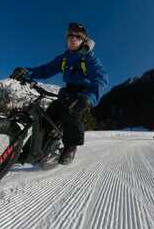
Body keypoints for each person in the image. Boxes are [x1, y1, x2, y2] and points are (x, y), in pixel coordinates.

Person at [10, 22, 108, 164]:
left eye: (78, 36)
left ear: (83, 40)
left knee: (71, 115)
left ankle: (70, 146)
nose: (73, 38)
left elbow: (101, 78)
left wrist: (88, 98)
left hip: (82, 94)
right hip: (66, 92)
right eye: (70, 35)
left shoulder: (89, 58)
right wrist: (26, 71)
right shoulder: (64, 58)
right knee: (46, 119)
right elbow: (45, 70)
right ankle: (27, 153)